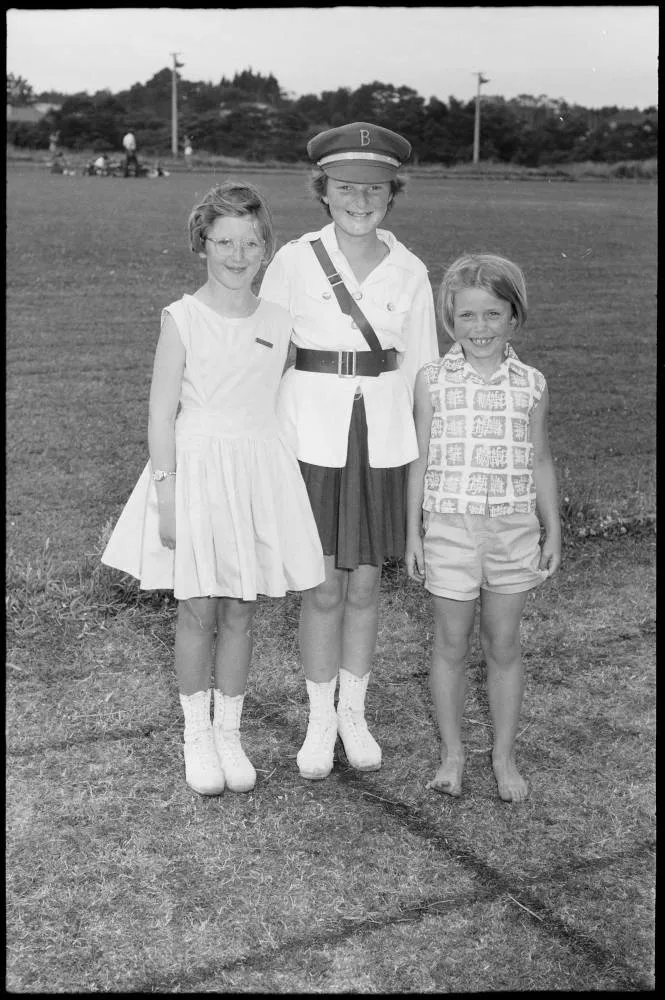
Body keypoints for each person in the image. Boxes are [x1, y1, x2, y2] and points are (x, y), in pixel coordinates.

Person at [101, 181, 325, 796]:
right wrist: (166, 495)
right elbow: (160, 415)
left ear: (265, 248)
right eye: (224, 242)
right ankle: (196, 734)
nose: (237, 255)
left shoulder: (279, 320)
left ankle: (230, 732)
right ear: (202, 244)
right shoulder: (182, 318)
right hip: (197, 473)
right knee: (198, 609)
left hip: (256, 472)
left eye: (250, 243)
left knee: (242, 609)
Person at [260, 122, 439, 781]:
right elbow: (264, 354)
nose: (359, 200)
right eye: (345, 188)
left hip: (382, 439)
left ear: (392, 193)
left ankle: (353, 714)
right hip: (309, 437)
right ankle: (319, 720)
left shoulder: (410, 270)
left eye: (374, 189)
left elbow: (423, 375)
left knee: (365, 585)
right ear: (323, 190)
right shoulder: (294, 260)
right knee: (322, 586)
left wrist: (427, 465)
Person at [405, 253, 561, 802]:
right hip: (450, 527)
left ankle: (503, 756)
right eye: (467, 315)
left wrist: (552, 529)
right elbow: (419, 461)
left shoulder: (532, 384)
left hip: (513, 531)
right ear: (450, 319)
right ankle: (452, 755)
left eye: (493, 314)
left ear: (514, 316)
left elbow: (541, 459)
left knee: (503, 644)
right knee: (450, 644)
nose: (480, 328)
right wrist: (413, 533)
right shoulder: (432, 381)